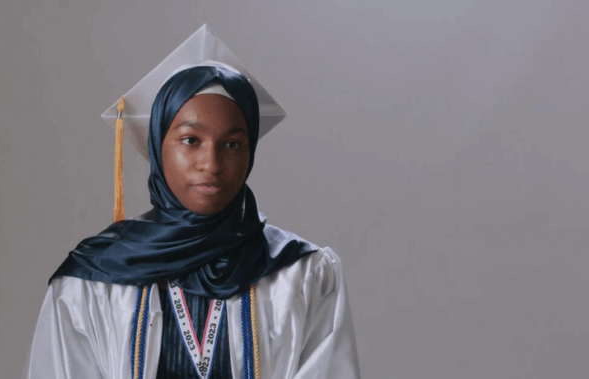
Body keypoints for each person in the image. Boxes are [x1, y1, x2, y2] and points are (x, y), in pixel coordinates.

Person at [24, 25, 360, 379]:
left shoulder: (301, 274)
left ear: (250, 152)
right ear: (158, 146)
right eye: (190, 140)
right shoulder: (91, 281)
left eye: (232, 145)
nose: (211, 164)